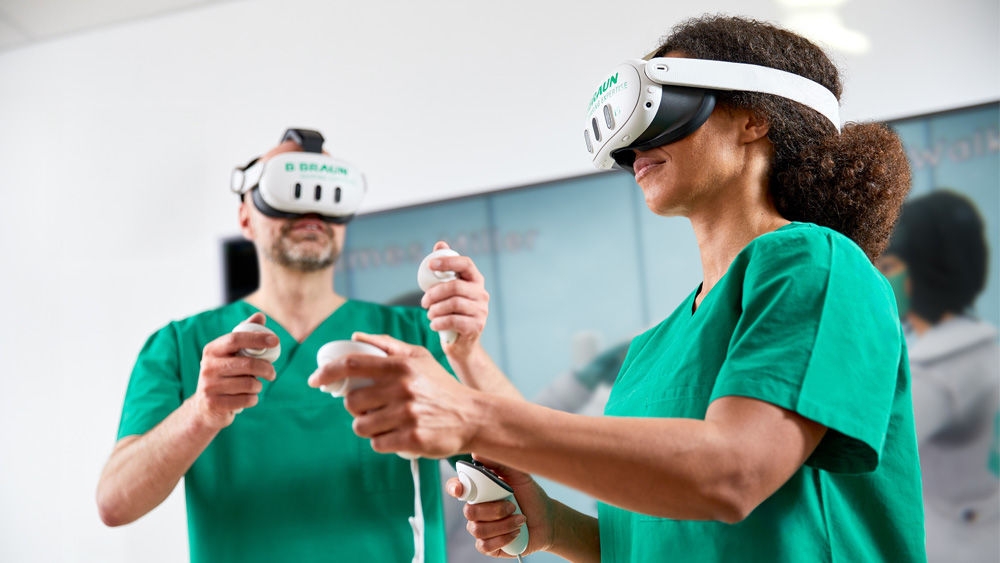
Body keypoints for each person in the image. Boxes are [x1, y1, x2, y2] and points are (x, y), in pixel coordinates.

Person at [308, 14, 926, 562]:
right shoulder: (656, 346)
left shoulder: (814, 261)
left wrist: (470, 417)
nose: (633, 149)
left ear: (753, 119)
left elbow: (732, 474)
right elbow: (657, 539)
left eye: (664, 110)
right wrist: (551, 524)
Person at [96, 128, 517, 563]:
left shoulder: (414, 336)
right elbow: (115, 502)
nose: (311, 210)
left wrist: (468, 352)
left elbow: (522, 458)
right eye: (287, 194)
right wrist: (201, 413)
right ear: (245, 217)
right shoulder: (180, 347)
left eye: (327, 198)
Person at [877, 189, 999, 563]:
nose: (880, 281)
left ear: (926, 271)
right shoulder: (979, 340)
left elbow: (872, 454)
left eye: (889, 268)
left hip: (960, 544)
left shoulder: (941, 365)